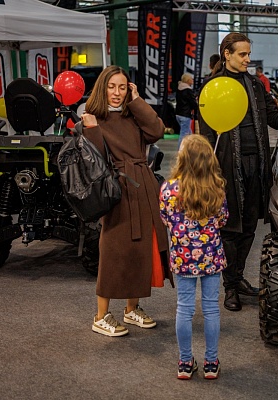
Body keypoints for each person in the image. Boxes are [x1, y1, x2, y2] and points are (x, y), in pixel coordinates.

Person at [199, 32, 278, 312]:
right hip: (227, 167)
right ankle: (230, 287)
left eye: (249, 54)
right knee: (229, 228)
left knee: (249, 225)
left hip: (259, 164)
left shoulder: (254, 84)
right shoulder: (213, 86)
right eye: (243, 54)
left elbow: (274, 119)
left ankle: (238, 279)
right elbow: (205, 134)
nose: (248, 59)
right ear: (226, 54)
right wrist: (208, 171)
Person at [81, 65, 172, 337]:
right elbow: (92, 161)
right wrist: (93, 130)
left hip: (142, 184)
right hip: (115, 189)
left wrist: (137, 100)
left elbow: (157, 130)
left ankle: (132, 309)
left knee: (142, 247)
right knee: (113, 249)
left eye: (122, 87)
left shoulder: (133, 114)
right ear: (102, 88)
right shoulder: (92, 117)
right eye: (112, 87)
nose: (117, 93)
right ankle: (100, 316)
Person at [160, 134, 229, 380]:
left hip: (182, 258)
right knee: (211, 308)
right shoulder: (217, 187)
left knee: (184, 309)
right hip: (211, 257)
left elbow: (166, 220)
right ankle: (211, 363)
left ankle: (185, 362)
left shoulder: (168, 189)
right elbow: (222, 220)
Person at [175, 73, 198, 149]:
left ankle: (192, 148)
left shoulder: (179, 89)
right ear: (188, 80)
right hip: (185, 115)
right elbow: (193, 102)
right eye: (191, 79)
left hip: (178, 114)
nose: (192, 80)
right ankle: (180, 151)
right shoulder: (188, 90)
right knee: (184, 134)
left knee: (189, 133)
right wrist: (197, 107)